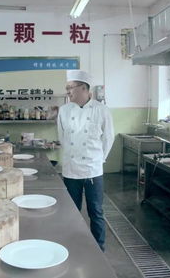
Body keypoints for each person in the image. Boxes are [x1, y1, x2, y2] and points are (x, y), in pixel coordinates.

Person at [57, 70, 114, 251]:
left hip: (92, 170)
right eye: (67, 88)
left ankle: (99, 246)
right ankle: (72, 244)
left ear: (83, 88)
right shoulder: (64, 111)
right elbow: (63, 138)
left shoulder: (101, 110)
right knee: (72, 210)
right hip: (71, 168)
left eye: (70, 88)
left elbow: (108, 139)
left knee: (95, 211)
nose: (67, 92)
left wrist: (97, 160)